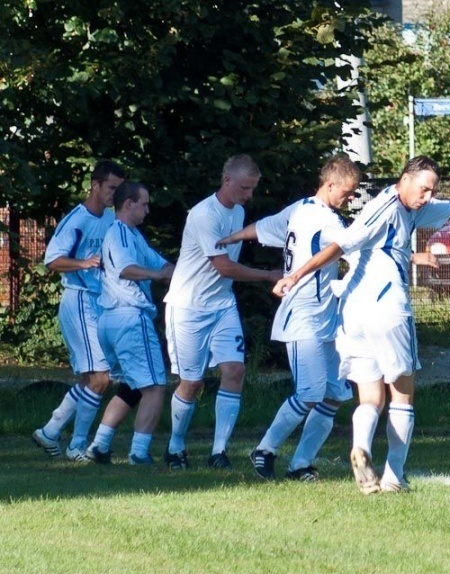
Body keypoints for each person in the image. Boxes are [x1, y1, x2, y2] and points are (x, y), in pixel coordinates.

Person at [273, 156, 450, 494]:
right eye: (425, 189)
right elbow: (341, 244)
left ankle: (362, 448)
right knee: (403, 394)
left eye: (432, 190)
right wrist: (295, 275)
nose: (428, 196)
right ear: (405, 179)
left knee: (370, 395)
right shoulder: (384, 209)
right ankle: (394, 475)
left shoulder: (410, 204)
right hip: (388, 307)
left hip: (355, 311)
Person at [217, 154, 361, 481]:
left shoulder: (301, 208)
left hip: (327, 319)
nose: (349, 198)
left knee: (335, 394)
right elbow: (348, 250)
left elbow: (266, 226)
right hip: (303, 315)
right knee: (310, 392)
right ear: (330, 184)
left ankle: (300, 464)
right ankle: (264, 450)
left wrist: (233, 237)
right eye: (348, 192)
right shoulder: (326, 221)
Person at [162, 154, 282, 470]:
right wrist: (269, 275)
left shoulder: (238, 211)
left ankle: (219, 451)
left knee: (235, 370)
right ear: (226, 180)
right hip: (188, 307)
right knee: (192, 382)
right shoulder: (204, 215)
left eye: (252, 188)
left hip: (222, 305)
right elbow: (224, 267)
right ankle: (175, 447)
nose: (248, 195)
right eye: (244, 188)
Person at [32, 160, 128, 462]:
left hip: (100, 303)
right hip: (80, 301)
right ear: (95, 185)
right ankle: (76, 446)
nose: (115, 193)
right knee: (100, 379)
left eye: (119, 188)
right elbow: (52, 260)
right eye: (111, 187)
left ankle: (50, 432)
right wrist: (83, 263)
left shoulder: (112, 219)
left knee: (93, 379)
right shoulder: (78, 219)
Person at [85, 182, 175, 465]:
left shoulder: (133, 235)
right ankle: (139, 452)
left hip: (110, 320)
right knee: (156, 385)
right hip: (130, 317)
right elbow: (127, 269)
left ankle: (99, 446)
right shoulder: (120, 233)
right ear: (128, 204)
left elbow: (163, 266)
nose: (148, 210)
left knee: (133, 386)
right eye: (144, 204)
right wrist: (158, 276)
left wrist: (180, 271)